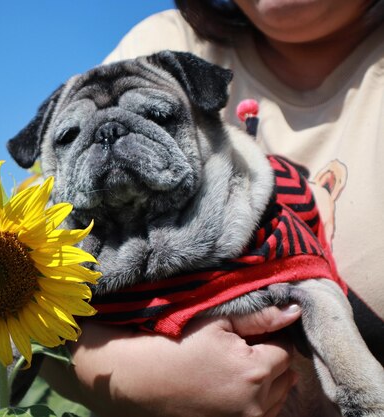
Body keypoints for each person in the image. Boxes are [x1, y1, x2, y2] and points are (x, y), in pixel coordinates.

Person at [40, 1, 384, 416]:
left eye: (156, 115)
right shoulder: (166, 40)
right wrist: (122, 373)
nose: (110, 138)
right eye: (74, 134)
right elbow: (29, 302)